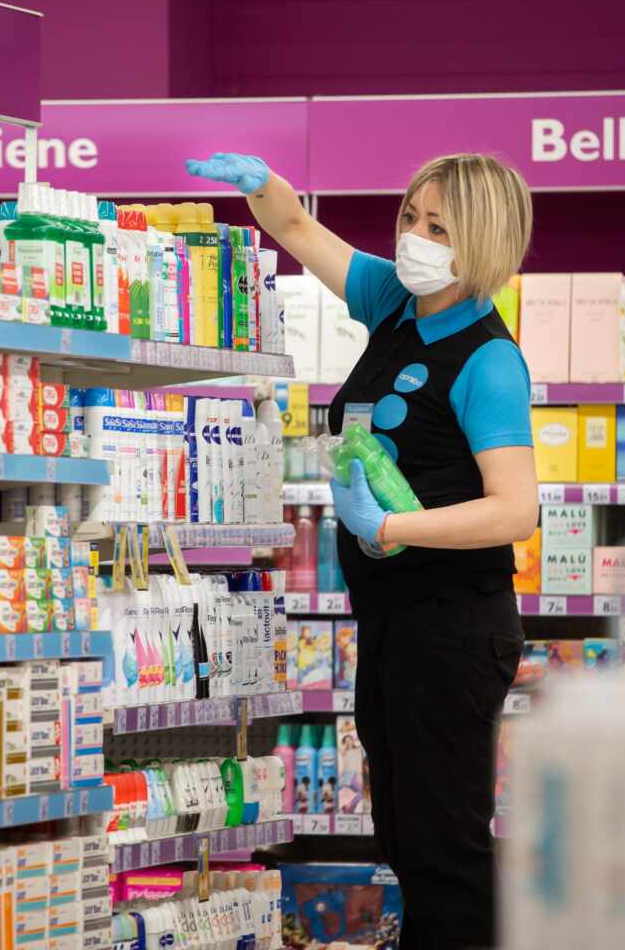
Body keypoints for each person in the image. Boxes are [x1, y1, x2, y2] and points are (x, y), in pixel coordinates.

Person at [188, 152, 538, 948]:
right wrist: (259, 184)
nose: (413, 236)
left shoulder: (487, 358)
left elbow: (516, 509)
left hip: (454, 626)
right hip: (394, 621)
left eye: (437, 226)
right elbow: (297, 227)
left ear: (480, 239)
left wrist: (389, 528)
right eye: (410, 217)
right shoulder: (394, 303)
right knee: (406, 834)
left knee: (442, 844)